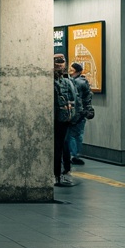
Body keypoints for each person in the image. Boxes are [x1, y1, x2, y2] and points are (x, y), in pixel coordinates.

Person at [53, 54, 80, 187]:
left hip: (62, 118)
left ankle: (59, 173)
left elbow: (75, 97)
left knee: (60, 145)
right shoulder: (67, 81)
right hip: (63, 117)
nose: (59, 66)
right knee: (62, 145)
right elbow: (75, 97)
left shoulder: (65, 81)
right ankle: (61, 172)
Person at [68, 62, 94, 166]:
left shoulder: (75, 83)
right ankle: (76, 154)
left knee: (72, 135)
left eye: (71, 69)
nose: (69, 71)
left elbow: (76, 99)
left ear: (76, 71)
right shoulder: (83, 81)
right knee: (79, 134)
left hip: (76, 113)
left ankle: (73, 155)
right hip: (82, 113)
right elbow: (88, 98)